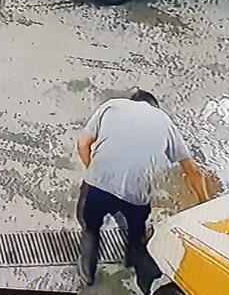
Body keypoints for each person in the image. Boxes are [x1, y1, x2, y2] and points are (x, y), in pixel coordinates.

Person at [75, 89, 210, 291]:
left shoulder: (111, 106)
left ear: (133, 101)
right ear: (154, 107)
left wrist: (94, 174)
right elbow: (193, 171)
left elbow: (82, 144)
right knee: (137, 236)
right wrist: (205, 203)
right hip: (136, 196)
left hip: (97, 187)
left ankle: (88, 273)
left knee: (91, 230)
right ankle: (143, 276)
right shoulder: (164, 121)